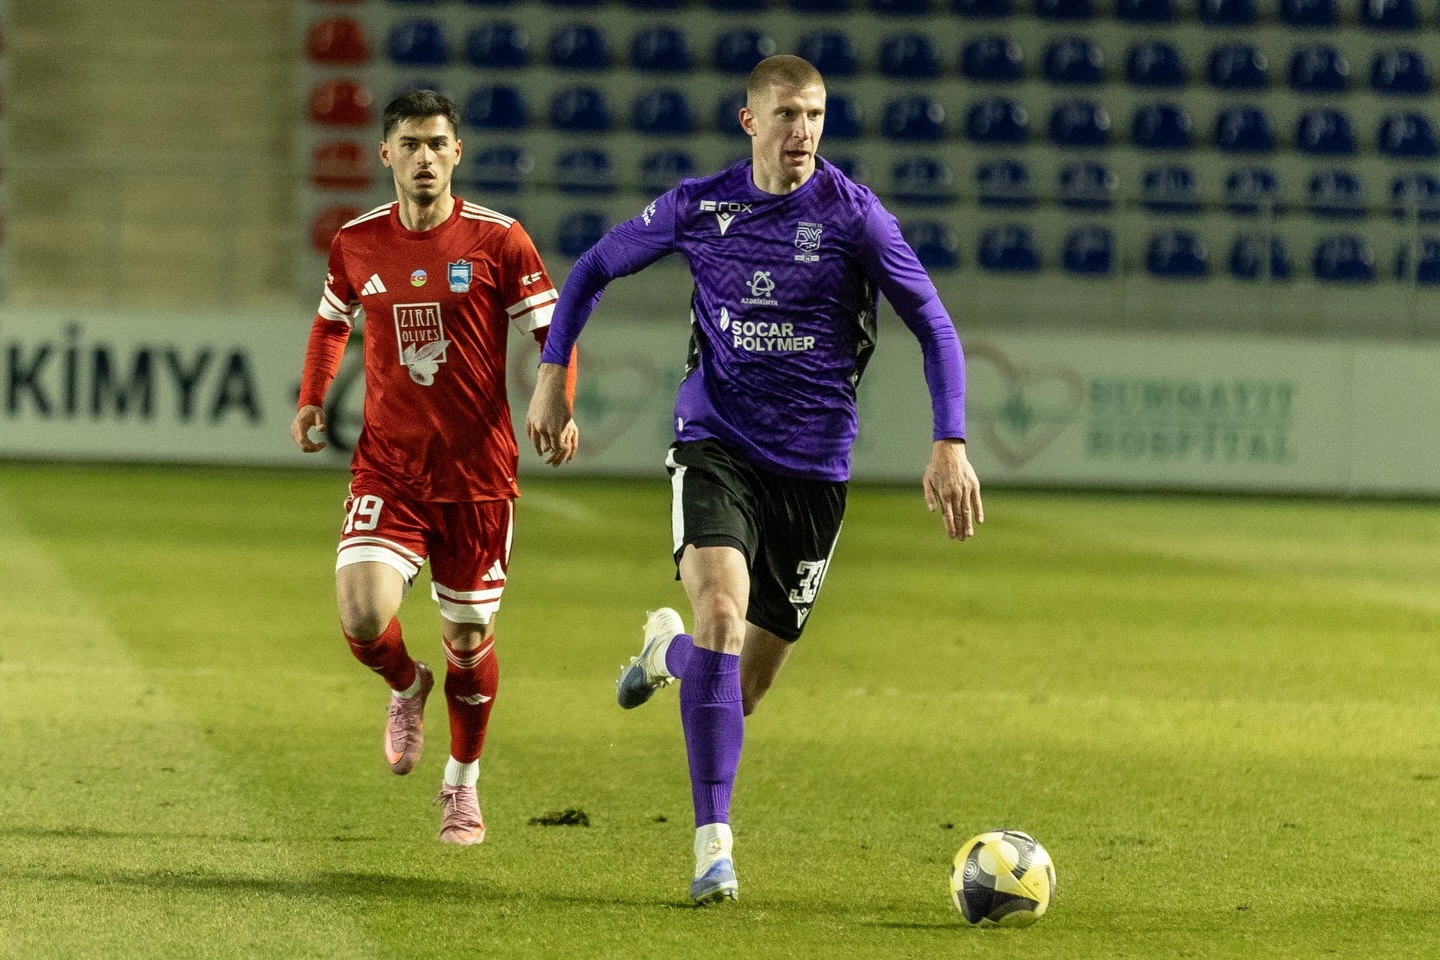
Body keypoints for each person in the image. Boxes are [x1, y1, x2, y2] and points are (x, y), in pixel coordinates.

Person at [525, 56, 982, 902]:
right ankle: (713, 848)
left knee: (738, 687)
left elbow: (934, 325)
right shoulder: (702, 206)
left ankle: (665, 652)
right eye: (786, 114)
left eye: (815, 114)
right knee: (722, 614)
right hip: (717, 445)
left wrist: (949, 439)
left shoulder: (854, 216)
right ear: (750, 121)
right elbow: (591, 267)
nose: (802, 130)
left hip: (814, 470)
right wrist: (553, 374)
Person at [291, 90, 576, 845]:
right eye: (411, 144)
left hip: (477, 477)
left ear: (457, 153)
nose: (425, 157)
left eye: (437, 144)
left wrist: (557, 398)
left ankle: (461, 784)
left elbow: (555, 329)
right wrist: (313, 397)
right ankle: (406, 683)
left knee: (469, 641)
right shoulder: (357, 242)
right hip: (388, 468)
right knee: (361, 615)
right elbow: (330, 323)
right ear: (386, 154)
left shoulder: (499, 240)